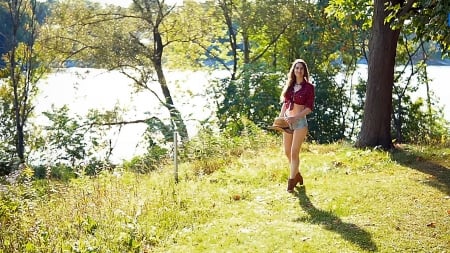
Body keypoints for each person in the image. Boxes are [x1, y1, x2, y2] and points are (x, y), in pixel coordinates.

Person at [278, 59, 315, 193]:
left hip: (300, 123)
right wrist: (281, 118)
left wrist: (295, 117)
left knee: (294, 153)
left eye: (301, 68)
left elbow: (309, 108)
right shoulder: (290, 85)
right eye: (296, 68)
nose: (298, 70)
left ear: (304, 71)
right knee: (287, 152)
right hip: (287, 122)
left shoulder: (309, 87)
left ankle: (291, 182)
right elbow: (286, 103)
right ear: (293, 70)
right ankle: (298, 174)